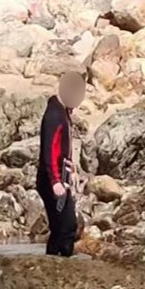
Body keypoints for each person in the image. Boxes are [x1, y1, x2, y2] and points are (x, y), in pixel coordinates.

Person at [37, 73, 86, 258]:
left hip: (60, 176)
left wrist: (71, 168)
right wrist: (55, 181)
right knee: (67, 226)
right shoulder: (54, 115)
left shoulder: (63, 111)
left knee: (60, 227)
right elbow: (49, 150)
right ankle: (61, 265)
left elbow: (62, 147)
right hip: (51, 180)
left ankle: (52, 261)